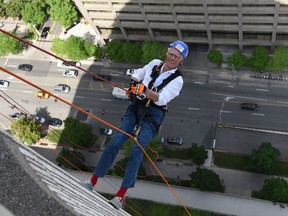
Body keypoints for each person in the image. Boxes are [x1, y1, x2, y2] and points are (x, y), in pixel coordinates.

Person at [83, 40, 189, 209]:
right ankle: (92, 181)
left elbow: (162, 99)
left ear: (181, 61)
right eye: (171, 54)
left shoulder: (177, 80)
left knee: (137, 149)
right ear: (167, 53)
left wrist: (144, 91)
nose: (172, 58)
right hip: (136, 107)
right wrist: (134, 83)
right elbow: (139, 73)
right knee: (116, 141)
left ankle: (120, 196)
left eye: (177, 56)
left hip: (153, 115)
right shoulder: (155, 63)